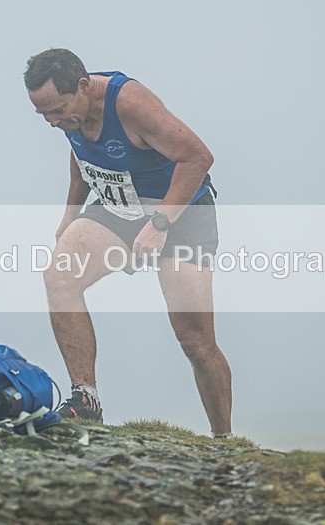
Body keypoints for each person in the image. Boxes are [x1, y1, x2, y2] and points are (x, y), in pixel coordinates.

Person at [23, 48, 232, 437]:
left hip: (181, 210)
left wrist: (160, 222)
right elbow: (82, 155)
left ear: (83, 87)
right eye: (44, 115)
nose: (53, 122)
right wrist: (70, 215)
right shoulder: (72, 112)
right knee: (60, 275)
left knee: (196, 341)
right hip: (121, 208)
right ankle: (86, 400)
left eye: (57, 110)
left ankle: (224, 439)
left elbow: (199, 158)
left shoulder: (130, 103)